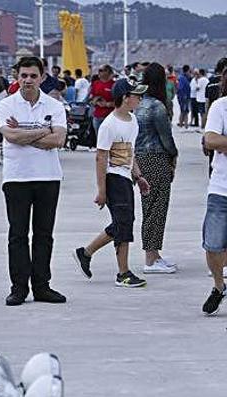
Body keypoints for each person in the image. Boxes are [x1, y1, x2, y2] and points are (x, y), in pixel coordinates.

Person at [0, 56, 68, 306]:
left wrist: (26, 135)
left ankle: (42, 286)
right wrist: (44, 131)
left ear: (42, 77)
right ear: (17, 76)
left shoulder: (54, 105)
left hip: (48, 177)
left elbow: (59, 140)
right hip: (17, 178)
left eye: (33, 76)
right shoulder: (6, 105)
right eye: (23, 75)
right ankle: (18, 288)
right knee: (17, 234)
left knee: (44, 234)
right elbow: (11, 136)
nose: (28, 80)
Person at [72, 80, 150, 288]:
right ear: (125, 98)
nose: (140, 98)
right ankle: (123, 273)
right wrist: (102, 190)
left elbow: (130, 152)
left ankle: (85, 253)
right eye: (136, 95)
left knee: (123, 222)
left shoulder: (132, 120)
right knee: (124, 223)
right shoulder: (109, 124)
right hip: (113, 179)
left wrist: (138, 176)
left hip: (125, 178)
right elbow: (101, 158)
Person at [134, 63, 179, 274]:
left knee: (149, 206)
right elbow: (166, 138)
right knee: (157, 208)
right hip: (157, 159)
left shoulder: (139, 104)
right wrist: (174, 155)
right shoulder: (158, 107)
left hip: (141, 159)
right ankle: (150, 258)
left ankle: (154, 254)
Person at [201, 75, 227, 314]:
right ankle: (219, 287)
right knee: (213, 245)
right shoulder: (221, 106)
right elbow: (210, 139)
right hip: (221, 188)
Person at [90, 64, 116, 133]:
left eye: (102, 70)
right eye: (99, 70)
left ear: (109, 72)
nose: (99, 72)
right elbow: (91, 98)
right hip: (97, 116)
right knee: (99, 140)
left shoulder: (114, 85)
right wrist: (96, 101)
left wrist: (107, 104)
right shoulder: (96, 83)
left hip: (111, 117)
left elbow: (121, 102)